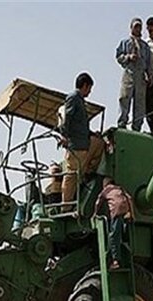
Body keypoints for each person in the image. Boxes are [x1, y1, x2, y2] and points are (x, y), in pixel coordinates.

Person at [59, 72, 103, 210]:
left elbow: (81, 125)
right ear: (85, 86)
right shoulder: (73, 98)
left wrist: (92, 134)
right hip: (75, 145)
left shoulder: (80, 101)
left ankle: (88, 174)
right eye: (89, 88)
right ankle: (65, 207)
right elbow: (67, 118)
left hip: (83, 144)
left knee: (99, 143)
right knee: (71, 176)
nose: (89, 92)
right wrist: (64, 136)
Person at [116, 17, 153, 131]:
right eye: (135, 26)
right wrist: (128, 57)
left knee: (140, 103)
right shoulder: (125, 42)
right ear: (131, 27)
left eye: (139, 27)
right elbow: (118, 56)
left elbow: (149, 62)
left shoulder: (145, 46)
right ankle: (122, 123)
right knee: (124, 98)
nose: (138, 29)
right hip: (129, 74)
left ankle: (137, 127)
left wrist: (150, 75)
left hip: (141, 77)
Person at [95, 177, 135, 269]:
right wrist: (132, 214)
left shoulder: (106, 190)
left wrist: (95, 213)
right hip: (126, 212)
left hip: (117, 212)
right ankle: (128, 253)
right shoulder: (120, 188)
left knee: (113, 236)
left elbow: (98, 202)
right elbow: (130, 198)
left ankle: (116, 261)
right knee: (123, 234)